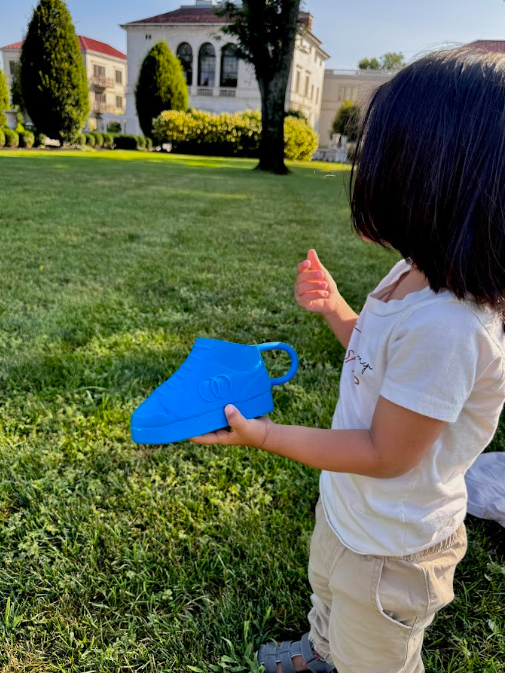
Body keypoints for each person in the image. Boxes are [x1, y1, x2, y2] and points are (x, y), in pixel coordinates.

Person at [191, 48, 505, 673]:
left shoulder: (451, 324)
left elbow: (386, 453)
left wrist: (269, 436)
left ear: (432, 182)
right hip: (354, 512)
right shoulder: (415, 273)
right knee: (329, 591)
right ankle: (324, 650)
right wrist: (337, 309)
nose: (367, 172)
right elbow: (380, 358)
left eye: (380, 160)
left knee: (376, 652)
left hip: (395, 548)